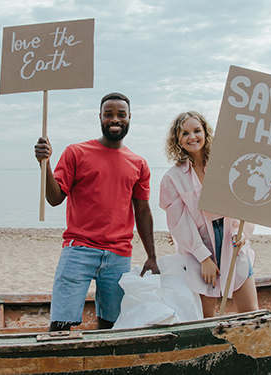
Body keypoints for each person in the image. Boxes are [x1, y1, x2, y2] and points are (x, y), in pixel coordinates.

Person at [35, 92, 160, 331]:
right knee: (60, 325)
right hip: (78, 250)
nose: (115, 120)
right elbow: (54, 199)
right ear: (100, 117)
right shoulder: (76, 152)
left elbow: (142, 211)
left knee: (111, 326)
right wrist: (46, 163)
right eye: (109, 114)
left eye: (121, 115)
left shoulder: (139, 163)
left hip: (118, 255)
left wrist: (151, 255)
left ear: (129, 118)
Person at [159, 111, 258, 318]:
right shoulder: (173, 177)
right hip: (198, 245)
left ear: (205, 132)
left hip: (232, 238)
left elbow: (245, 201)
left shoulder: (224, 165)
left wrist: (243, 234)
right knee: (205, 317)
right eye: (185, 133)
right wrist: (204, 258)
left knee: (251, 312)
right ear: (177, 139)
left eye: (197, 130)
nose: (192, 137)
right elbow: (179, 223)